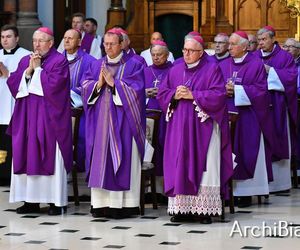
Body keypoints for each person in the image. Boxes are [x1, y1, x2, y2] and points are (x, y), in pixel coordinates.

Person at [157, 34, 233, 224]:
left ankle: (204, 210)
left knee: (205, 166)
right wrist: (174, 94)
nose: (187, 54)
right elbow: (162, 93)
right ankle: (181, 210)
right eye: (184, 50)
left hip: (203, 129)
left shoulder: (211, 69)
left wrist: (194, 95)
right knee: (178, 163)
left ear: (200, 53)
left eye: (191, 51)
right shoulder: (175, 69)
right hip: (179, 128)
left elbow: (219, 94)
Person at [7, 27, 73, 215]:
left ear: (51, 43)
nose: (36, 44)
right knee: (26, 155)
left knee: (49, 156)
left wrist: (38, 71)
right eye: (34, 40)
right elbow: (14, 84)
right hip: (27, 118)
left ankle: (55, 202)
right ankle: (30, 201)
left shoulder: (59, 61)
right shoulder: (25, 60)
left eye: (41, 41)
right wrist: (28, 71)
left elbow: (55, 87)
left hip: (50, 120)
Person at [82, 28, 145, 219]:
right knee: (100, 162)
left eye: (112, 44)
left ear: (122, 44)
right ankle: (100, 205)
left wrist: (114, 83)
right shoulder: (96, 64)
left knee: (123, 159)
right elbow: (85, 86)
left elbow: (138, 91)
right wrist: (99, 84)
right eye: (105, 44)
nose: (107, 47)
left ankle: (124, 205)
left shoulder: (134, 65)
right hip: (100, 123)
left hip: (124, 124)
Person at [219, 31, 273, 207]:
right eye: (229, 44)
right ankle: (226, 191)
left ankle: (246, 192)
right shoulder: (223, 64)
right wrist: (222, 90)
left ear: (244, 46)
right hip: (226, 114)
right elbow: (214, 85)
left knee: (246, 150)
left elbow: (261, 92)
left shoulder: (255, 64)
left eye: (233, 44)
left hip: (248, 116)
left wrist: (238, 90)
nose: (229, 47)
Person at [256, 26, 298, 193]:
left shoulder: (284, 57)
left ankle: (280, 185)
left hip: (278, 105)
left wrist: (271, 71)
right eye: (259, 40)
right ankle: (262, 183)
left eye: (264, 39)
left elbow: (291, 78)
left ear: (273, 39)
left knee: (279, 140)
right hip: (259, 107)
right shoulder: (253, 57)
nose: (261, 43)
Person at [0, 25, 30, 185]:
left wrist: (7, 74)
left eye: (8, 36)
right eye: (3, 37)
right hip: (0, 104)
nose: (5, 39)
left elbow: (29, 82)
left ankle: (10, 175)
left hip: (13, 107)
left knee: (12, 142)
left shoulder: (26, 56)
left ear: (17, 38)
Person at [63, 29, 96, 172]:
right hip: (59, 109)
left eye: (70, 38)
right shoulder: (56, 60)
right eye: (65, 38)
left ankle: (81, 170)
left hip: (82, 111)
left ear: (79, 42)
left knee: (82, 137)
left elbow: (91, 84)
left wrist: (69, 94)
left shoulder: (90, 61)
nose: (66, 40)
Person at [143, 40, 172, 194]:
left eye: (159, 55)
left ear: (167, 55)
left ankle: (163, 191)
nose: (156, 57)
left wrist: (162, 93)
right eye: (153, 55)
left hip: (166, 119)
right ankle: (148, 192)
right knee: (149, 152)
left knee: (164, 152)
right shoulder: (145, 71)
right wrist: (145, 93)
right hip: (148, 117)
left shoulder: (174, 70)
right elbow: (136, 92)